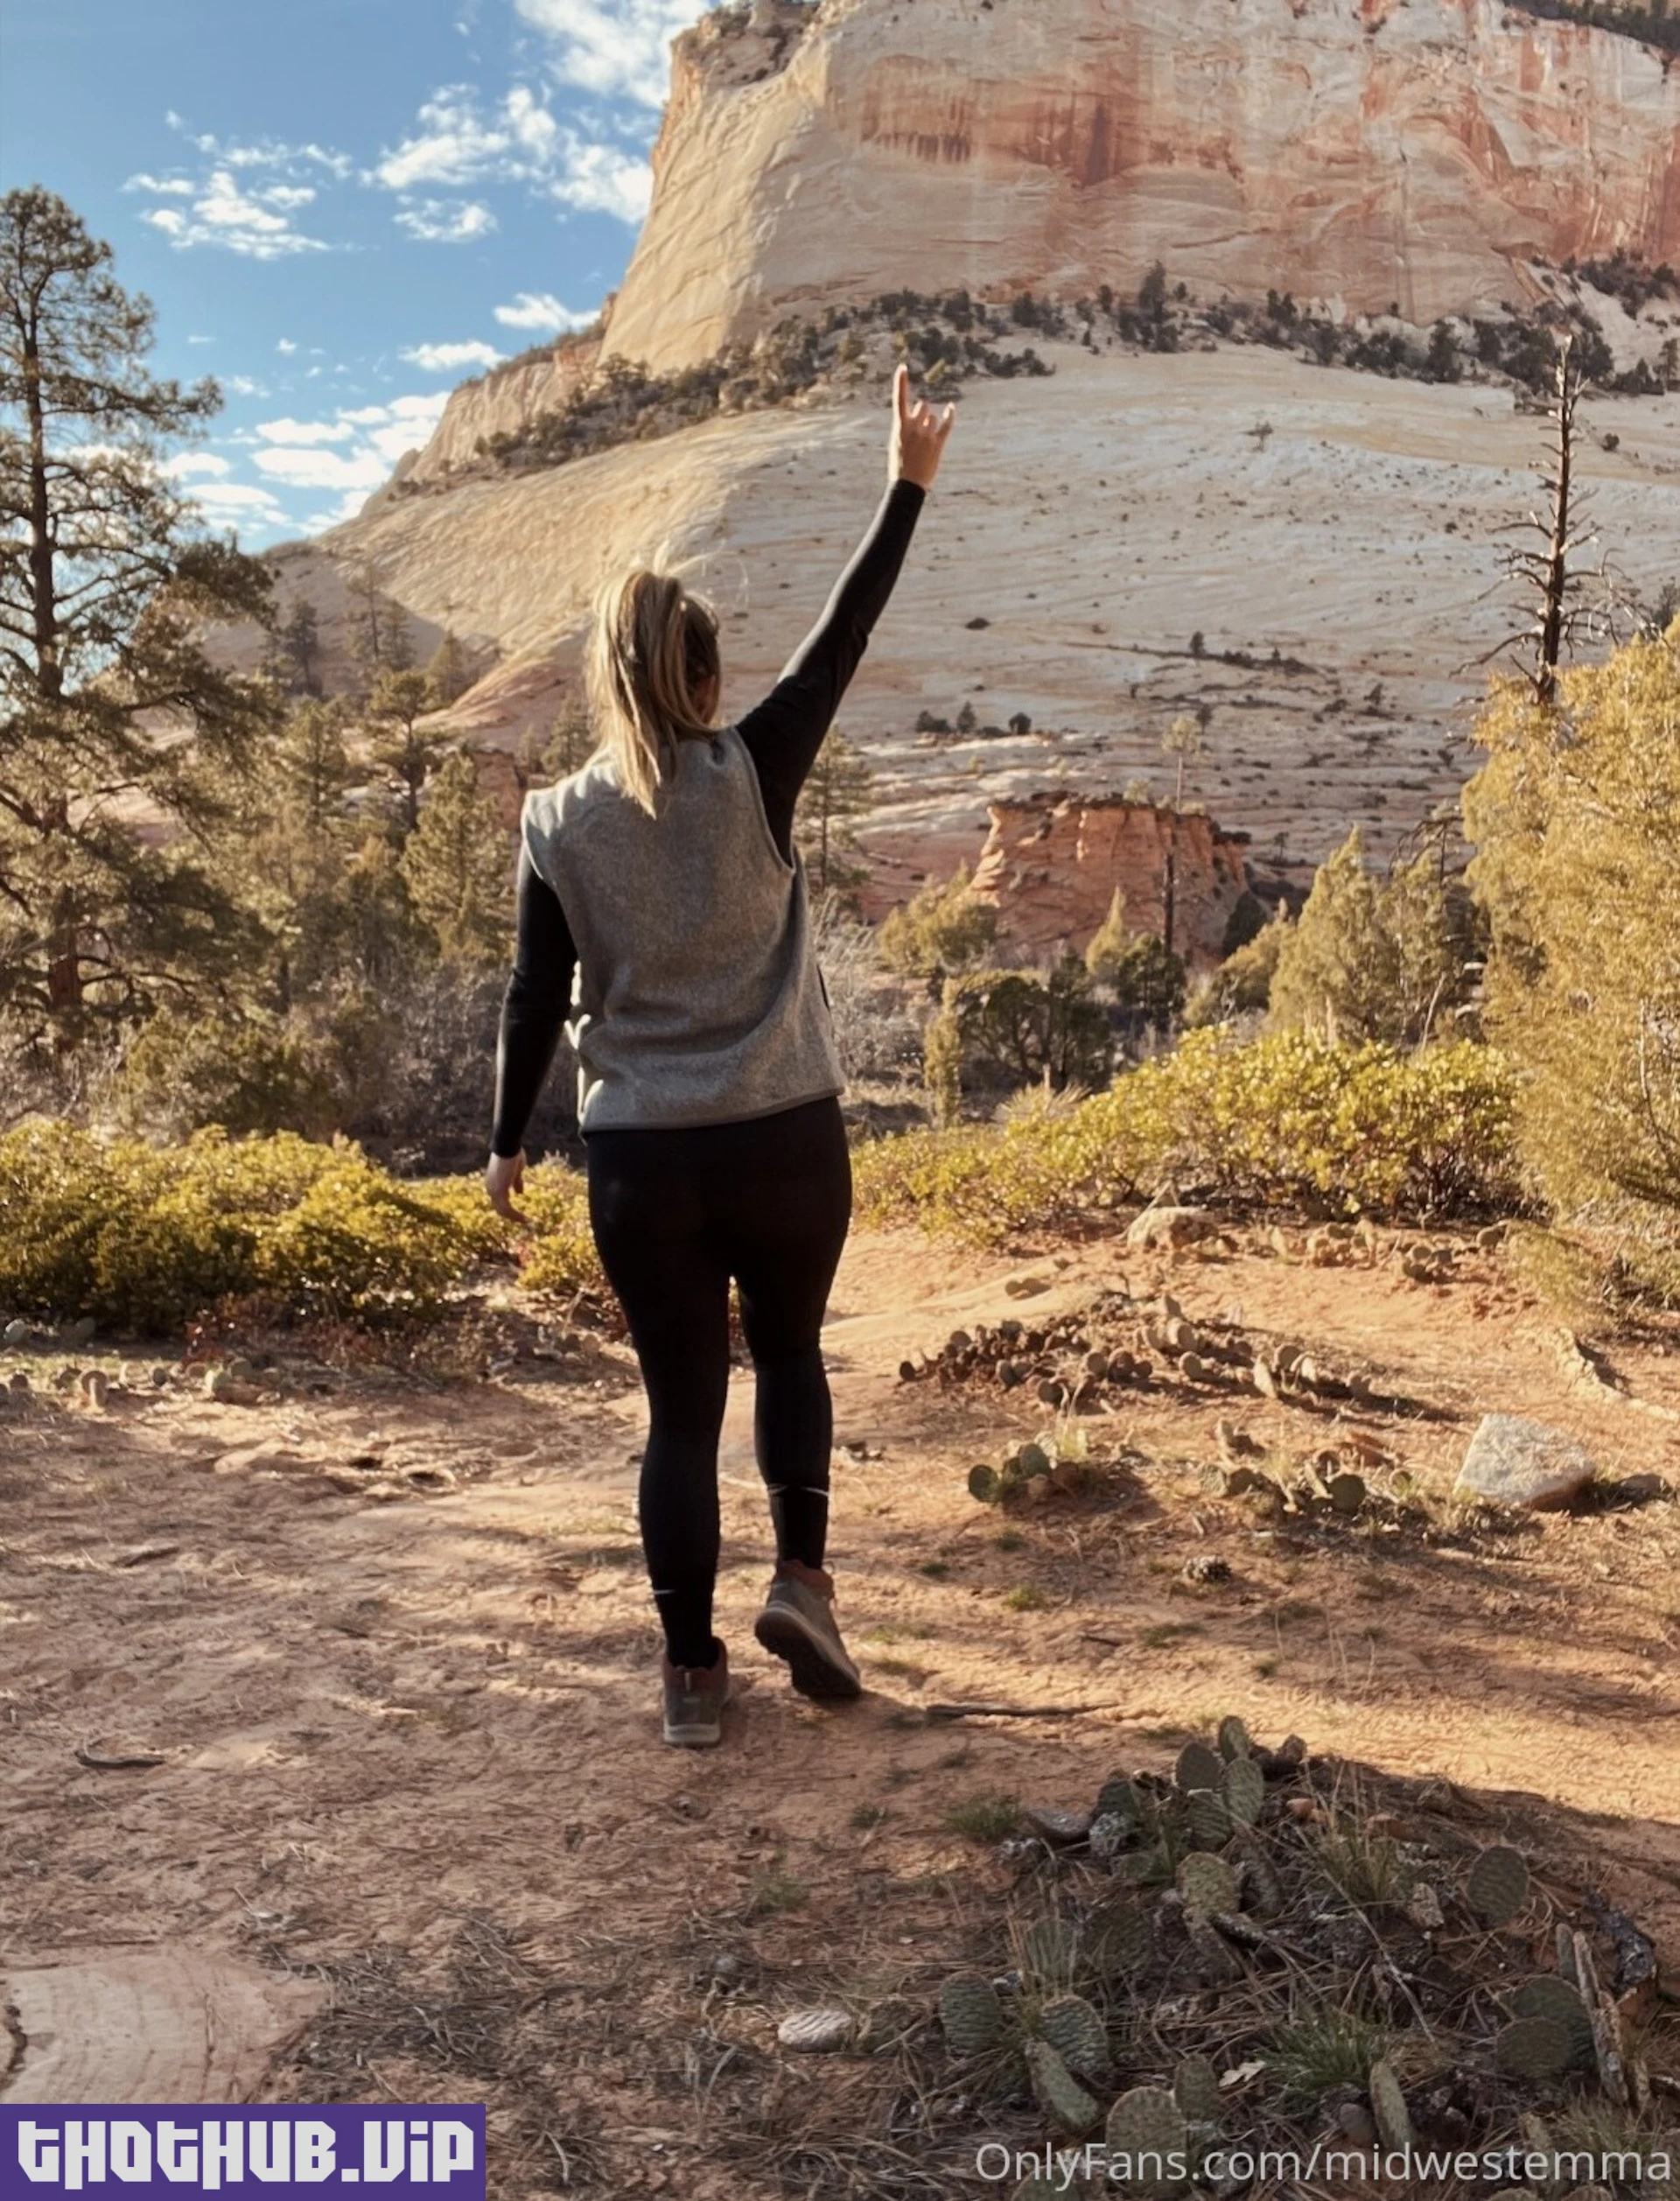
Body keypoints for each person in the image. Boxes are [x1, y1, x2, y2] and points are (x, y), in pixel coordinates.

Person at [485, 365, 956, 1749]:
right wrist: (905, 485)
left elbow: (534, 990)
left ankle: (691, 1674)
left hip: (642, 1161)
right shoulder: (756, 766)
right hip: (785, 1134)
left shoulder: (556, 823)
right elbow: (843, 635)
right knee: (793, 1353)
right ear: (699, 679)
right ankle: (802, 1580)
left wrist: (506, 1141)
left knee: (679, 1416)